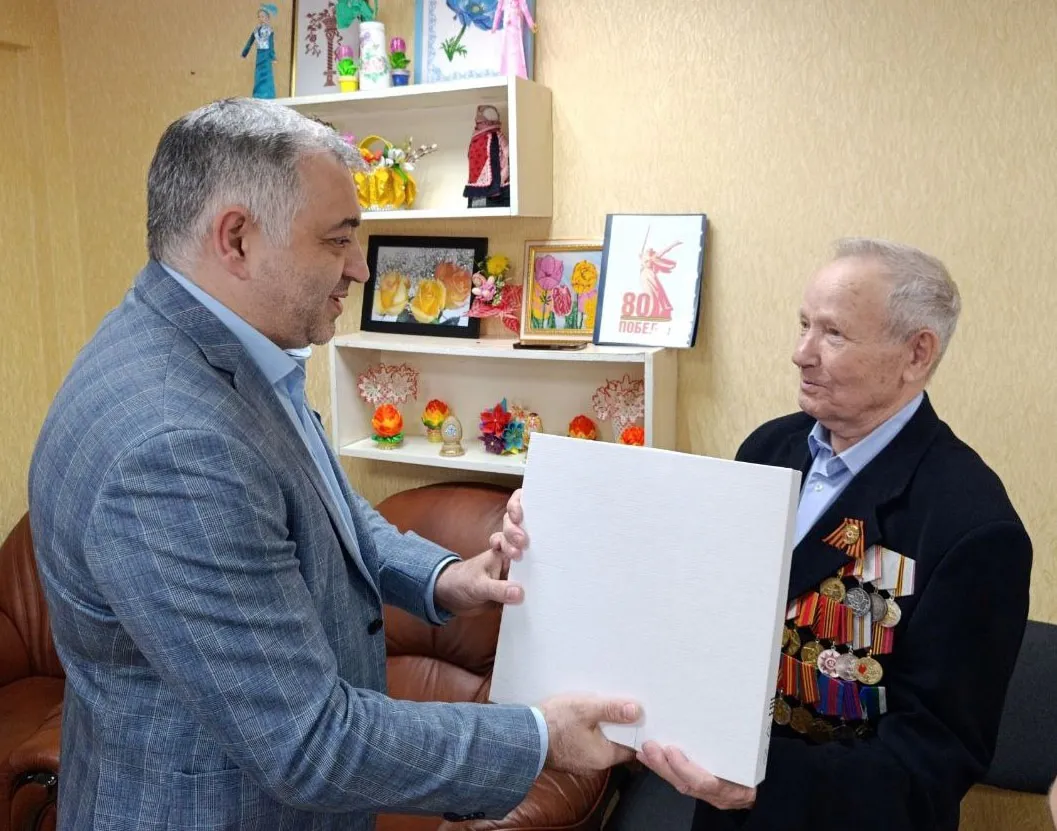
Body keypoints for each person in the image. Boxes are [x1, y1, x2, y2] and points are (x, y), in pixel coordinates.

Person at [27, 97, 640, 831]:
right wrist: (539, 737)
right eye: (338, 239)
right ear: (237, 238)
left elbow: (330, 512)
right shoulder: (176, 444)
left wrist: (448, 578)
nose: (360, 267)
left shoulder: (215, 348)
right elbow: (309, 743)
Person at [503, 238, 1033, 831]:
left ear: (916, 353)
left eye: (833, 334)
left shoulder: (972, 527)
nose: (800, 353)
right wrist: (554, 534)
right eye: (805, 325)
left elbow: (931, 765)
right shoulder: (770, 447)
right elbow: (703, 609)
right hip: (718, 811)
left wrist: (760, 784)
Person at [241, 3, 277, 99]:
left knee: (267, 74)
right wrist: (244, 53)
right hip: (259, 54)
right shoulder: (256, 30)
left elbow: (271, 44)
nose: (261, 18)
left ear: (267, 18)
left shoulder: (269, 30)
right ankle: (258, 93)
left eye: (263, 16)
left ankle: (268, 94)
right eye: (259, 16)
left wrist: (273, 56)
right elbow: (250, 41)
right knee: (258, 74)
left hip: (266, 54)